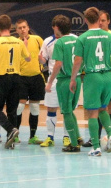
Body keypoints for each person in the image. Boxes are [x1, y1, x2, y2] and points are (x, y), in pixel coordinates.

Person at [69, 7, 111, 157]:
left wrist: (73, 78)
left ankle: (96, 147)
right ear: (99, 20)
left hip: (93, 77)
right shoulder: (109, 36)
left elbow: (78, 61)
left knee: (92, 112)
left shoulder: (82, 38)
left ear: (85, 20)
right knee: (103, 109)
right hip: (107, 75)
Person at [0, 14, 31, 150]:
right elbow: (28, 59)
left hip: (2, 78)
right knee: (12, 110)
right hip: (16, 79)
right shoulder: (19, 42)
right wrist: (25, 46)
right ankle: (12, 140)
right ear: (11, 27)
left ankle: (11, 130)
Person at [82, 10, 111, 148]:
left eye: (103, 20)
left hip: (107, 72)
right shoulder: (97, 36)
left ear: (108, 21)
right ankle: (98, 136)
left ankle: (108, 137)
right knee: (100, 107)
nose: (101, 22)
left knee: (108, 106)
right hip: (105, 74)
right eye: (99, 20)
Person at [45, 15, 84, 152]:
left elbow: (58, 64)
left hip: (65, 80)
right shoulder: (77, 39)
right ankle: (78, 136)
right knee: (71, 110)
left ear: (56, 27)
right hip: (77, 78)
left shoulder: (60, 43)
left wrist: (49, 82)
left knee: (66, 111)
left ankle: (74, 144)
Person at [38, 16, 72, 147]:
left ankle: (67, 137)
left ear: (56, 27)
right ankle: (50, 137)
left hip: (67, 78)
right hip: (54, 77)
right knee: (51, 108)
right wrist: (40, 59)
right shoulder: (48, 41)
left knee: (67, 110)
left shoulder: (73, 39)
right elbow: (43, 61)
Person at [15, 19, 45, 145]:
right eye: (20, 28)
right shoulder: (15, 43)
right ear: (16, 30)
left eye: (24, 27)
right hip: (21, 78)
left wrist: (42, 60)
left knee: (34, 107)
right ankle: (15, 135)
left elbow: (44, 58)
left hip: (36, 77)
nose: (22, 29)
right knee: (19, 107)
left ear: (28, 28)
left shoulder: (37, 39)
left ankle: (33, 136)